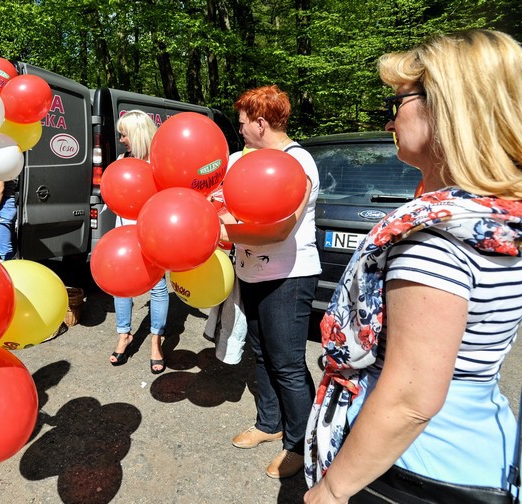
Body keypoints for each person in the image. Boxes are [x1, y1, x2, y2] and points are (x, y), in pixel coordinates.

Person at [304, 30, 522, 503]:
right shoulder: (496, 219)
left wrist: (333, 490)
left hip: (410, 468)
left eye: (399, 101)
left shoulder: (435, 241)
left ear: (447, 107)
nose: (389, 120)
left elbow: (409, 401)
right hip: (477, 443)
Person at [219, 85, 320, 479]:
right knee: (260, 354)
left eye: (243, 123)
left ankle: (300, 443)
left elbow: (280, 232)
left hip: (289, 278)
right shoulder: (249, 162)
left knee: (289, 364)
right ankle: (269, 423)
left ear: (261, 123)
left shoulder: (298, 163)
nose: (239, 130)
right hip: (253, 272)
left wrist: (220, 229)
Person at [108, 110, 170, 374]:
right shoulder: (122, 160)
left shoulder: (160, 164)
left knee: (157, 287)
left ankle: (156, 341)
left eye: (124, 134)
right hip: (124, 234)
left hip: (153, 236)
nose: (121, 139)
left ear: (137, 134)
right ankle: (124, 335)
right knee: (121, 286)